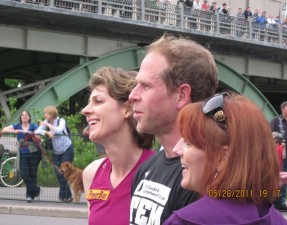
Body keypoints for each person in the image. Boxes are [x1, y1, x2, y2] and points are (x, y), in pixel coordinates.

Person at [129, 34, 218, 224]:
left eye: (145, 86)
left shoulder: (203, 179)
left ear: (181, 95)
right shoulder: (147, 168)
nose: (132, 95)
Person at [163, 93, 287, 225]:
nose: (176, 150)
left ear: (222, 157)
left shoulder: (184, 221)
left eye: (188, 143)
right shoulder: (277, 220)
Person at [81, 67, 155, 225]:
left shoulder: (160, 172)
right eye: (88, 103)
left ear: (128, 109)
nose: (85, 110)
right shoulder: (91, 173)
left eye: (98, 101)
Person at [35, 106, 74, 202]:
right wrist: (47, 132)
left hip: (66, 149)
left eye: (46, 113)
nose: (44, 115)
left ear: (51, 115)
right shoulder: (47, 121)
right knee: (58, 173)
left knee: (64, 172)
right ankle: (67, 195)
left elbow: (59, 130)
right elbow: (37, 131)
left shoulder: (61, 120)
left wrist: (46, 125)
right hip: (56, 151)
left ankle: (64, 196)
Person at [2, 110, 41, 203]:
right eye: (22, 115)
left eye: (26, 115)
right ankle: (36, 190)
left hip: (34, 152)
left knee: (33, 174)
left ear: (29, 117)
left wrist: (31, 134)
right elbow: (4, 130)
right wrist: (14, 131)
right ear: (20, 117)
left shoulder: (33, 125)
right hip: (23, 153)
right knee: (24, 173)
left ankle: (29, 195)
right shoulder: (18, 125)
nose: (24, 116)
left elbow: (39, 137)